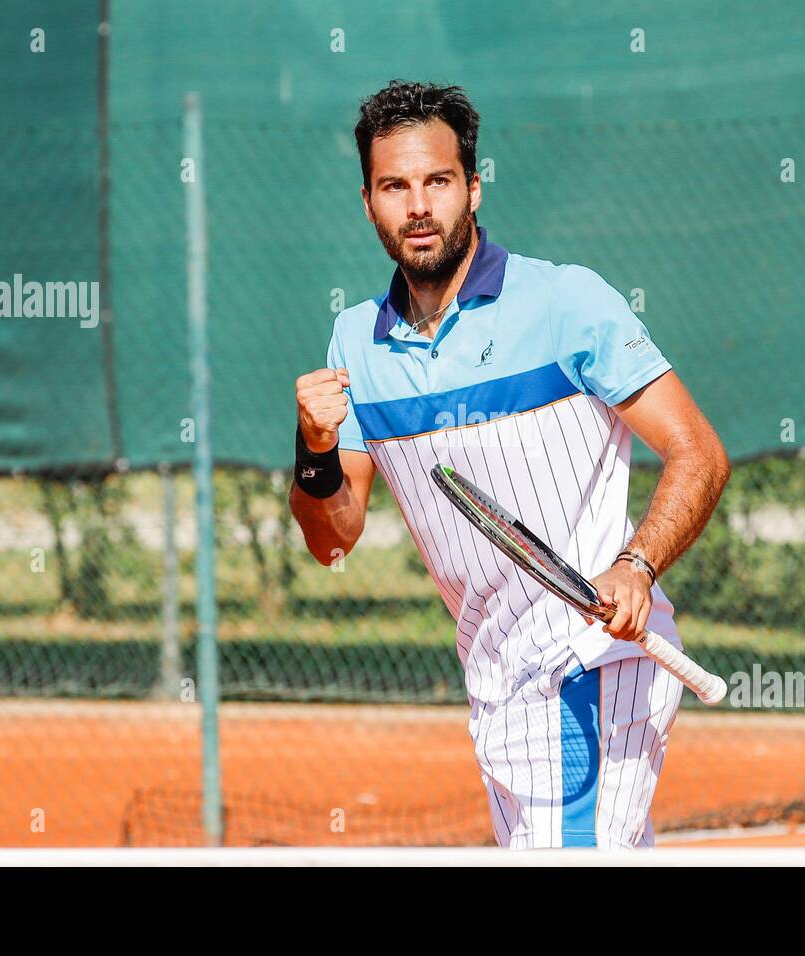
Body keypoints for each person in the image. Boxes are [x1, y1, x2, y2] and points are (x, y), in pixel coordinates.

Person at [290, 80, 729, 848]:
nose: (418, 205)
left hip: (594, 663)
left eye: (438, 181)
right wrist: (316, 448)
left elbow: (700, 453)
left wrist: (637, 566)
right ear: (368, 202)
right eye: (395, 186)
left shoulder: (568, 303)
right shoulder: (354, 345)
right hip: (496, 680)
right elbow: (332, 540)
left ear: (473, 188)